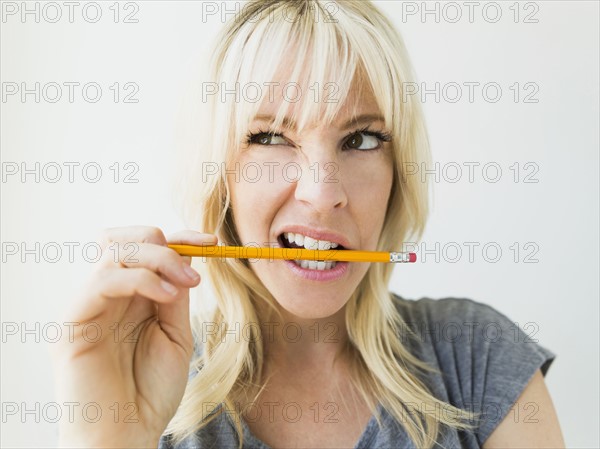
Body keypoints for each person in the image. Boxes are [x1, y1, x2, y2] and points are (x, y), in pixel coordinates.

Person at [51, 1, 565, 448]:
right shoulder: (141, 381)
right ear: (218, 173)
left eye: (362, 139)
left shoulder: (478, 355)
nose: (322, 196)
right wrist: (107, 440)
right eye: (272, 137)